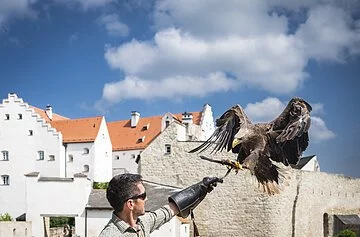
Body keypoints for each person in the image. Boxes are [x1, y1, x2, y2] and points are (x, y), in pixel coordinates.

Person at [98, 173, 222, 237]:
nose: (146, 199)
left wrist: (201, 187)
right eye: (143, 195)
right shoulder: (110, 235)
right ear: (130, 204)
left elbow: (169, 210)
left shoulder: (142, 223)